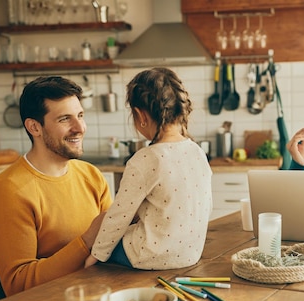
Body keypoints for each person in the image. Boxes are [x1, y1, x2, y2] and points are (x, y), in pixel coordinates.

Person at [0, 76, 112, 296]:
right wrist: (88, 239)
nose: (79, 127)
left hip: (94, 297)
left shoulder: (91, 175)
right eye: (64, 119)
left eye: (80, 116)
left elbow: (110, 246)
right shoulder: (9, 191)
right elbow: (17, 286)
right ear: (35, 127)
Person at [85, 67, 212, 270]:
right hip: (191, 253)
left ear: (140, 114)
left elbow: (119, 216)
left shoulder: (146, 159)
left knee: (94, 236)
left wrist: (95, 255)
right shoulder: (197, 151)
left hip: (149, 256)